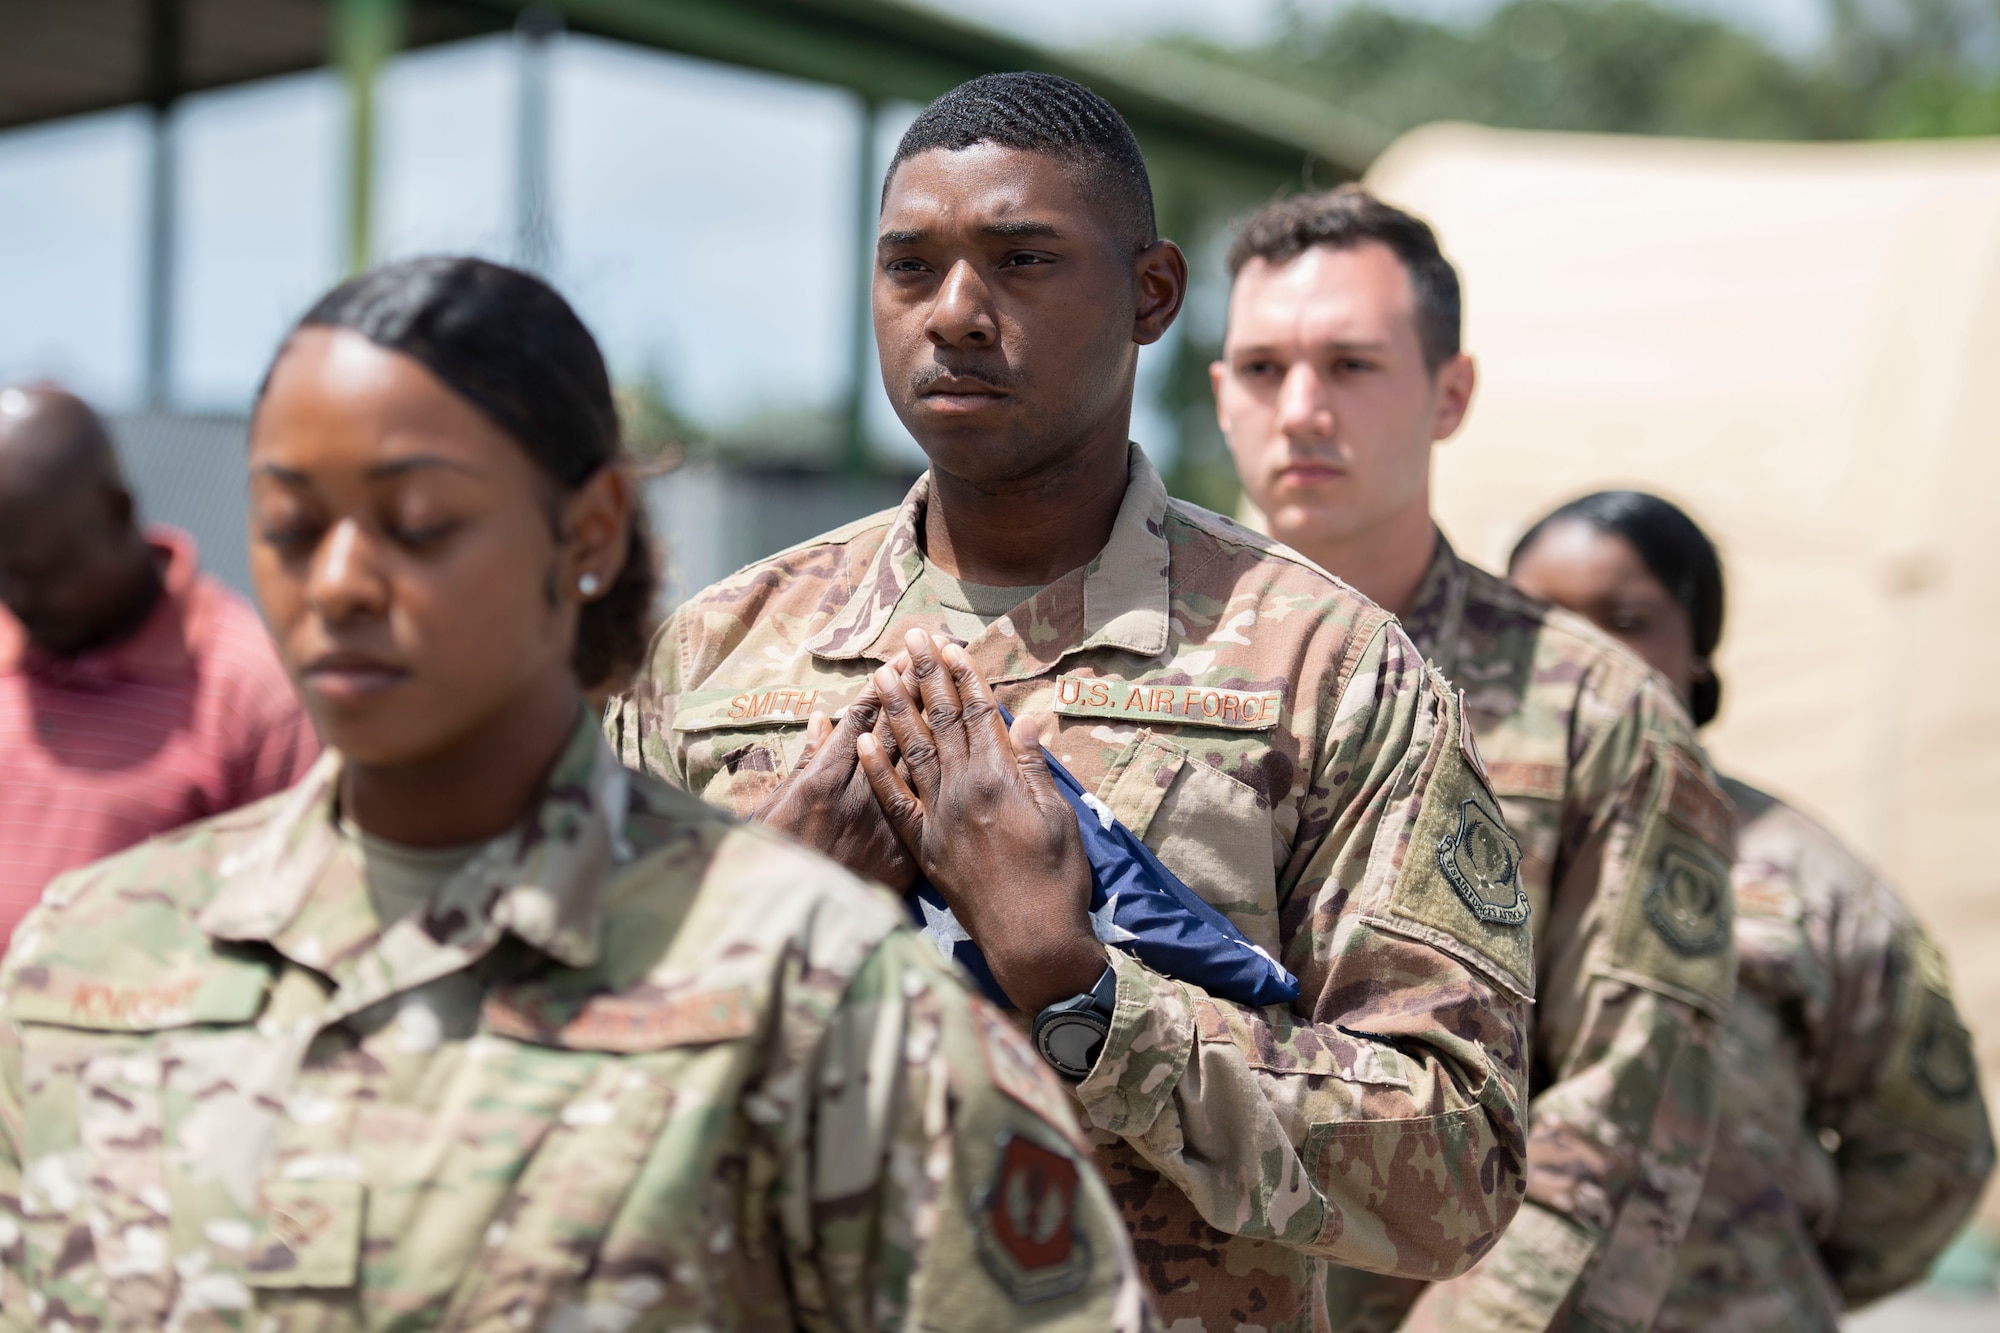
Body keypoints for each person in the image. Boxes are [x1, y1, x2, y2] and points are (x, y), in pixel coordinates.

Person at [0, 257, 1153, 1330]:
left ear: (589, 532)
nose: (341, 582)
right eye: (292, 525)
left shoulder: (816, 996)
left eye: (418, 523)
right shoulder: (86, 967)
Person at [612, 73, 1533, 1331]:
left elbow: (1455, 1171)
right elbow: (553, 1099)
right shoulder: (714, 661)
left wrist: (1083, 994)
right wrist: (747, 941)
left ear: (1151, 294)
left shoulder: (1326, 670)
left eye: (1020, 259)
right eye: (908, 267)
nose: (954, 314)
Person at [1216, 186, 1735, 1333]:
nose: (1300, 409)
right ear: (1217, 395)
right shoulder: (1123, 679)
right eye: (1261, 368)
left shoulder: (1594, 712)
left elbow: (1626, 1111)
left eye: (1350, 365)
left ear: (1448, 394)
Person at [1508, 489, 1995, 1331]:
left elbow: (1932, 1153)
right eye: (1539, 617)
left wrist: (1759, 1274)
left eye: (1625, 619)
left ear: (1700, 652)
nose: (1579, 654)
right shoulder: (1424, 842)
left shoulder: (1805, 878)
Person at [0, 384, 317, 944]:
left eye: (37, 571)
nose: (15, 597)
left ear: (115, 512)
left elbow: (296, 921)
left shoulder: (250, 693)